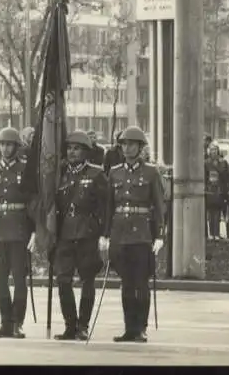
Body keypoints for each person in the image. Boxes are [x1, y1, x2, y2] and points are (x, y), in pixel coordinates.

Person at [99, 126, 165, 343]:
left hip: (142, 234)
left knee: (141, 283)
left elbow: (158, 205)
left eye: (131, 144)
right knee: (126, 283)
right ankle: (129, 328)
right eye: (124, 144)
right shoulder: (115, 172)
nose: (126, 148)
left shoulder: (151, 172)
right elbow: (109, 206)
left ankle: (141, 328)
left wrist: (159, 235)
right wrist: (106, 234)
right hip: (120, 234)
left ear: (140, 147)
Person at [0, 127, 36, 339]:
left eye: (9, 144)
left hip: (19, 230)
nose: (5, 148)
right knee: (0, 279)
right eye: (2, 144)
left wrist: (34, 233)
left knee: (20, 279)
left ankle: (17, 323)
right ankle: (5, 322)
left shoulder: (25, 170)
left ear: (16, 147)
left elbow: (33, 204)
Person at [53, 131, 107, 341]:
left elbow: (104, 207)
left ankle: (83, 326)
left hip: (87, 233)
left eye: (77, 148)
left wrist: (103, 234)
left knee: (87, 279)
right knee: (63, 280)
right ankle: (70, 325)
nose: (72, 152)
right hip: (65, 233)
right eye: (69, 148)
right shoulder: (60, 174)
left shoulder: (96, 174)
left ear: (85, 152)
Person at [204, 142, 229, 241]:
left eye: (215, 149)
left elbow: (227, 176)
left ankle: (217, 233)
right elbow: (205, 176)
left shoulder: (223, 162)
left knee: (218, 212)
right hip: (210, 189)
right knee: (210, 212)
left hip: (219, 189)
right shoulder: (206, 163)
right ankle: (211, 233)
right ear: (209, 151)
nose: (213, 151)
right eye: (211, 149)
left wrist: (227, 189)